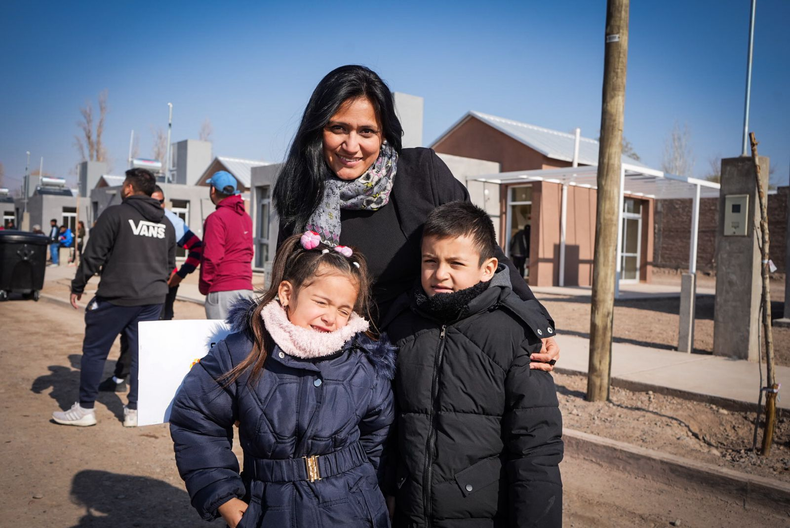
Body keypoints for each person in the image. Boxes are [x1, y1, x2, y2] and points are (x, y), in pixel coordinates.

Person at [274, 65, 559, 368]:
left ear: (384, 134)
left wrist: (534, 321)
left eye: (366, 131)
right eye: (339, 128)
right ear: (318, 129)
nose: (352, 145)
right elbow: (284, 292)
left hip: (420, 358)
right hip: (335, 365)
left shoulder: (422, 174)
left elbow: (485, 252)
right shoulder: (302, 196)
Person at [170, 233, 394, 528]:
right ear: (287, 294)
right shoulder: (244, 351)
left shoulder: (362, 362)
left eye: (343, 309)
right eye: (321, 302)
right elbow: (197, 419)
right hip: (269, 507)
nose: (331, 317)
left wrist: (362, 481)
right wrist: (223, 496)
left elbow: (377, 431)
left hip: (352, 508)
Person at [382, 202, 563, 527]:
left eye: (455, 263)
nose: (440, 273)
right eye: (430, 261)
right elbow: (388, 428)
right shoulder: (400, 326)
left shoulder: (514, 335)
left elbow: (536, 449)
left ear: (487, 268)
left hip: (483, 515)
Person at [52, 168, 176, 428]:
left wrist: (78, 285)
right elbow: (169, 265)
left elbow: (93, 255)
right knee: (141, 355)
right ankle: (135, 410)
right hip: (152, 299)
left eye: (123, 185)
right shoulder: (164, 223)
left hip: (117, 296)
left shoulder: (115, 214)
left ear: (129, 188)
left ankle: (85, 408)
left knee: (95, 352)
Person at [97, 185, 204, 393]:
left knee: (159, 333)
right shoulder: (128, 218)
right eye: (154, 201)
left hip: (163, 288)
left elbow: (197, 247)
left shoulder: (171, 220)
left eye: (161, 201)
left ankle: (156, 381)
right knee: (130, 335)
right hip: (133, 287)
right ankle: (121, 377)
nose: (158, 206)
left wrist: (180, 275)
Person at [199, 171, 255, 320]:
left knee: (221, 341)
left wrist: (205, 287)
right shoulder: (246, 218)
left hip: (222, 290)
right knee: (242, 341)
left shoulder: (216, 218)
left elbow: (212, 257)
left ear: (213, 190)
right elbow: (249, 253)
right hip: (246, 289)